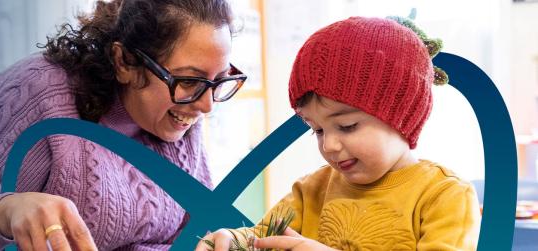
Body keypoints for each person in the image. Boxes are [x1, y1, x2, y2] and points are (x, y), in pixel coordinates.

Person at [0, 0, 248, 250]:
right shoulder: (39, 94)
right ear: (124, 61)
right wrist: (5, 211)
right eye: (190, 80)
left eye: (219, 82)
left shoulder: (180, 112)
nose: (206, 106)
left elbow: (185, 234)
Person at [196, 16, 480, 251]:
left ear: (401, 117)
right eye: (317, 130)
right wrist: (234, 241)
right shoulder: (311, 190)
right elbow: (262, 238)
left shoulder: (445, 195)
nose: (329, 145)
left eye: (347, 126)